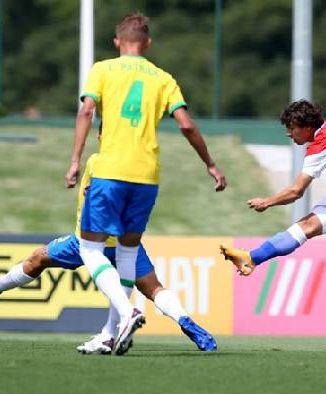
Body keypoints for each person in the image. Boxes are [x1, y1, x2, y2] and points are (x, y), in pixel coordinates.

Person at [64, 13, 226, 354]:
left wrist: (76, 160)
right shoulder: (163, 78)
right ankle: (112, 332)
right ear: (148, 43)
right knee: (127, 250)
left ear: (116, 42)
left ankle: (126, 311)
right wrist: (210, 164)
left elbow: (86, 111)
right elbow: (186, 124)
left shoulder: (102, 69)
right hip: (147, 178)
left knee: (90, 248)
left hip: (110, 171)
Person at [0, 153, 217, 355]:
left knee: (38, 258)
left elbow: (94, 193)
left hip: (88, 240)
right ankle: (185, 322)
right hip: (128, 242)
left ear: (104, 135)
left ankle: (117, 325)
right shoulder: (142, 165)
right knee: (154, 288)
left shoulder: (98, 160)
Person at [220, 100, 326, 351]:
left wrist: (267, 202)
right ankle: (252, 258)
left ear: (307, 126)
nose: (289, 133)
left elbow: (296, 191)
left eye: (292, 128)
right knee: (306, 225)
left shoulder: (320, 147)